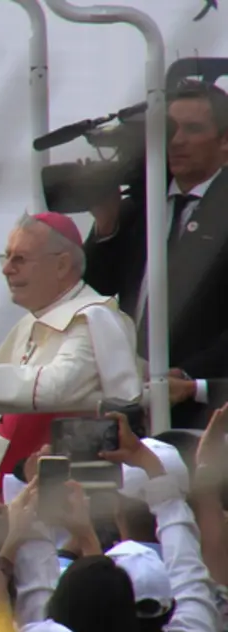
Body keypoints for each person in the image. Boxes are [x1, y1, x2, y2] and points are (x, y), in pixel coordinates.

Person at [0, 212, 142, 502]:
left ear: (61, 264)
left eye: (19, 259)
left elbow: (56, 386)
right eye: (6, 257)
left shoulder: (91, 318)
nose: (6, 269)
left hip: (67, 497)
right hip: (7, 488)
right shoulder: (31, 322)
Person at [83, 81, 228, 425]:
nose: (177, 141)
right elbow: (93, 293)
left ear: (225, 141)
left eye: (192, 130)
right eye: (170, 129)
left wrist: (189, 375)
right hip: (130, 402)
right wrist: (106, 223)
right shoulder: (140, 206)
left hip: (206, 409)